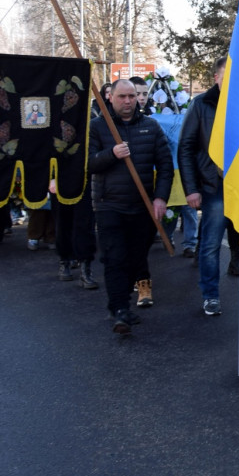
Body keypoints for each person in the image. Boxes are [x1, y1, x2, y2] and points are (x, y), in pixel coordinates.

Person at [87, 79, 173, 334]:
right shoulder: (97, 127)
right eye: (122, 96)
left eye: (132, 96)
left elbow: (166, 165)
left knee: (136, 258)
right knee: (114, 258)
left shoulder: (151, 126)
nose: (128, 101)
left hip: (143, 206)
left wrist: (160, 198)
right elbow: (88, 164)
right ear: (110, 98)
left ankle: (122, 303)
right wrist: (111, 154)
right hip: (109, 205)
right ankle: (120, 310)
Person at [178, 56, 229, 316]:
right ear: (216, 78)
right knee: (210, 244)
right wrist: (191, 188)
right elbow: (186, 148)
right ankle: (210, 295)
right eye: (226, 75)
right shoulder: (201, 104)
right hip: (213, 185)